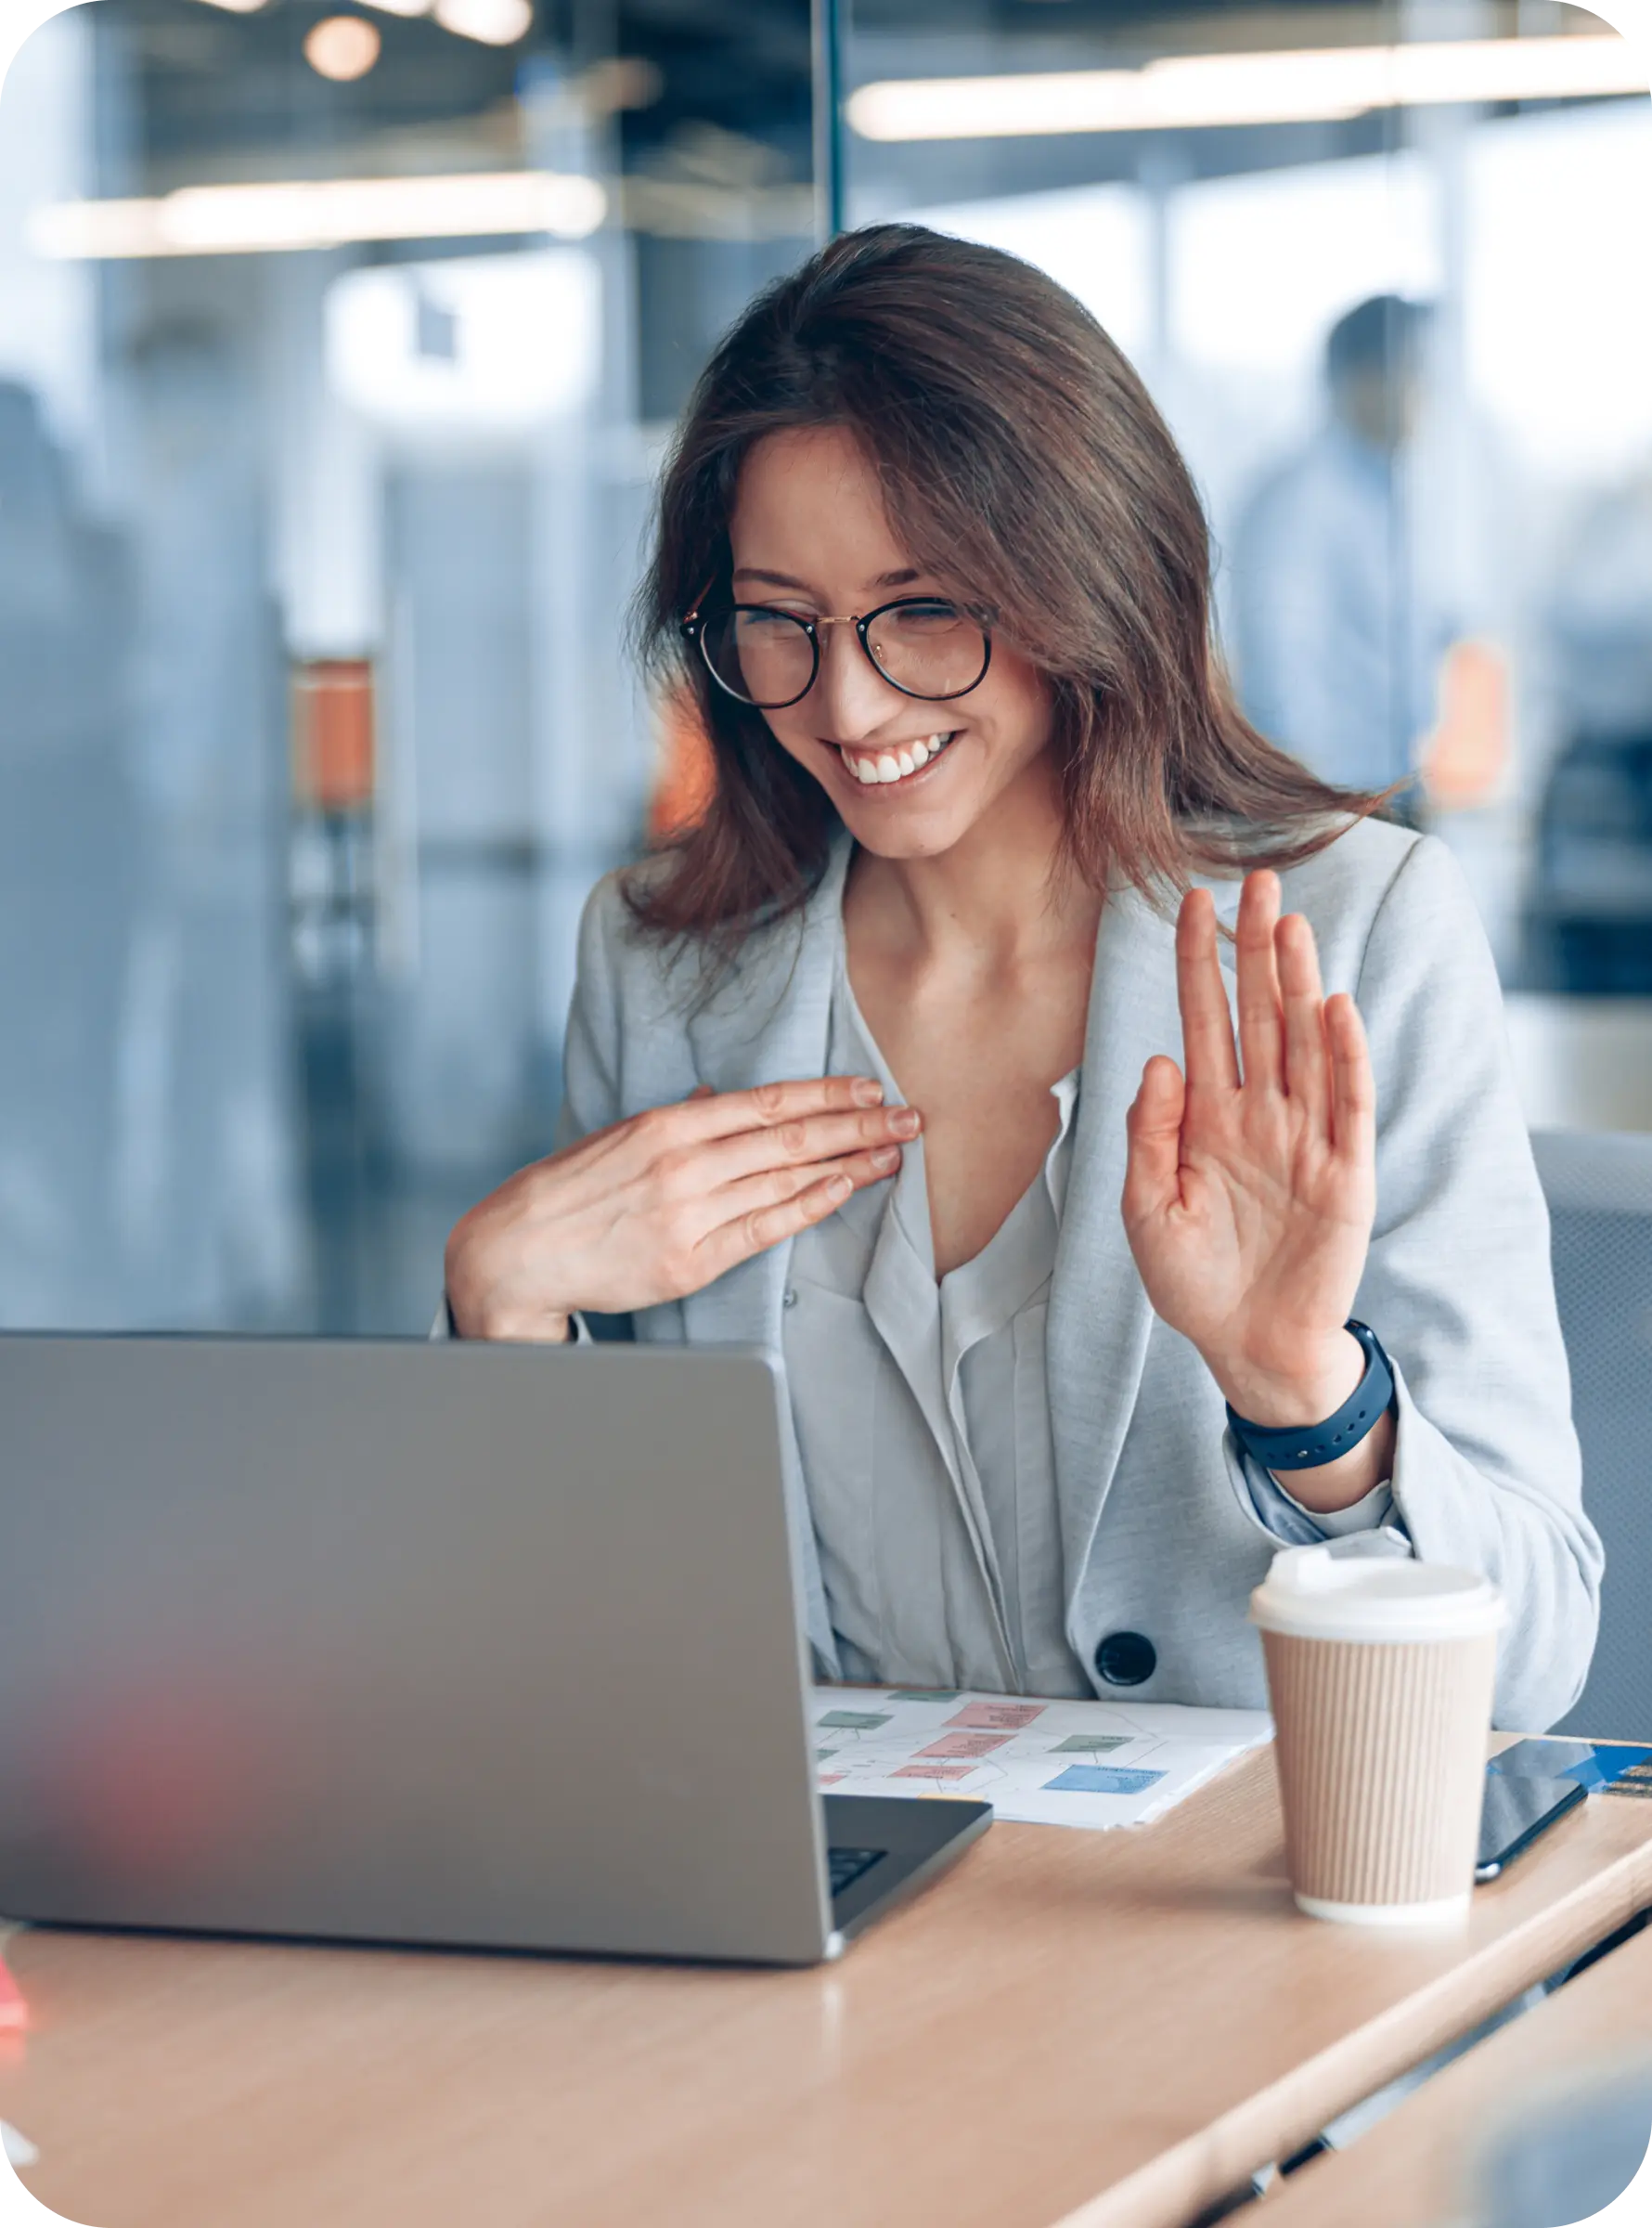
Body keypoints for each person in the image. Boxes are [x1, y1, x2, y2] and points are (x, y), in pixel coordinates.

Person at [442, 227, 1597, 1727]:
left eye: (923, 611)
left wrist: (1310, 1396)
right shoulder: (663, 968)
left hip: (1236, 1924)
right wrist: (503, 1314)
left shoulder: (1358, 932)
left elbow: (1536, 1657)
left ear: (1083, 579)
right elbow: (574, 1684)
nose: (846, 702)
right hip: (820, 1924)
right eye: (778, 621)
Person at [1230, 295, 1447, 808]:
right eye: (1418, 373)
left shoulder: (1381, 495)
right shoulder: (1303, 500)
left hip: (1388, 785)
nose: (1428, 395)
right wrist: (1315, 810)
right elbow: (1280, 669)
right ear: (1366, 380)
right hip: (1334, 800)